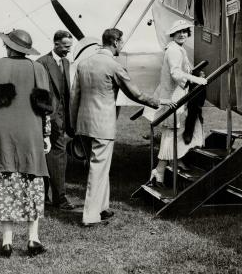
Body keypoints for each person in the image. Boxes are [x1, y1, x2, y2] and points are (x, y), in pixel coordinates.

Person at [70, 28, 174, 226]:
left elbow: (74, 97)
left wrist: (74, 124)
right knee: (97, 170)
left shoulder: (83, 64)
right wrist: (160, 101)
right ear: (116, 42)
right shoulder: (114, 66)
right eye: (122, 42)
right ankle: (90, 217)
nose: (122, 45)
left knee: (100, 168)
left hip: (83, 126)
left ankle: (102, 208)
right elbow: (136, 94)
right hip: (103, 127)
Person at [0, 29, 52, 257]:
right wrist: (46, 134)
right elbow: (45, 109)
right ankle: (33, 240)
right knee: (32, 184)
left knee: (5, 183)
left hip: (2, 133)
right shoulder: (38, 68)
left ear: (9, 47)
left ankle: (6, 242)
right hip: (30, 133)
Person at [150, 20, 207, 186]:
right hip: (173, 99)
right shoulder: (174, 50)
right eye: (178, 32)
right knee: (170, 136)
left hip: (176, 97)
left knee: (175, 134)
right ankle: (159, 171)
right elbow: (176, 73)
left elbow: (182, 71)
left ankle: (174, 162)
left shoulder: (177, 49)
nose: (182, 34)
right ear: (172, 35)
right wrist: (197, 79)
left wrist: (195, 73)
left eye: (185, 31)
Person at [37, 30, 75, 210]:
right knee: (51, 157)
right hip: (47, 119)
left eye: (70, 46)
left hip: (61, 119)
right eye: (66, 46)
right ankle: (52, 198)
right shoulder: (41, 63)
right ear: (56, 43)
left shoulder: (66, 63)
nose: (69, 50)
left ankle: (53, 198)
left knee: (56, 157)